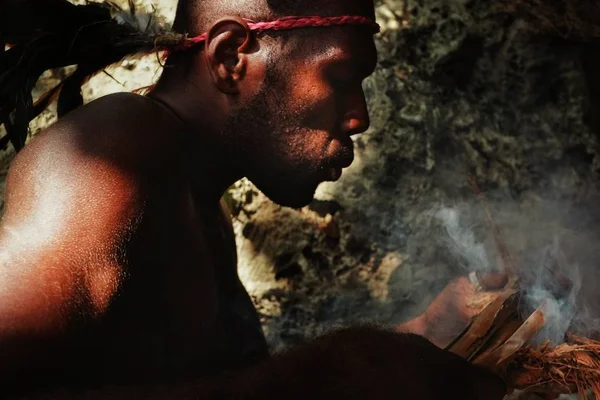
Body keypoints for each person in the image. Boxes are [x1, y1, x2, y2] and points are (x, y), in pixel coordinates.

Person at [0, 0, 507, 398]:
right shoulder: (109, 162)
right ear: (230, 58)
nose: (360, 116)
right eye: (342, 77)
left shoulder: (202, 208)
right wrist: (324, 378)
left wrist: (421, 339)